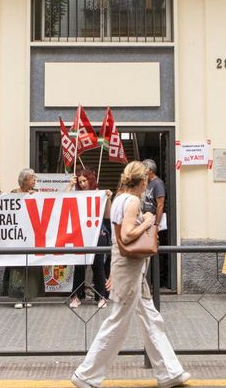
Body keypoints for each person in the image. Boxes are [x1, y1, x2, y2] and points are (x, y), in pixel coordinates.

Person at [71, 161, 191, 388]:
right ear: (143, 181)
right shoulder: (133, 201)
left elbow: (119, 233)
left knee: (151, 318)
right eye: (146, 180)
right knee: (117, 322)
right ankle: (86, 375)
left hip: (128, 265)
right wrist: (147, 221)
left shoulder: (119, 198)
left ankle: (169, 372)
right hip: (130, 267)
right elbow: (126, 235)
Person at [68, 169, 113, 309]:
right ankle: (76, 296)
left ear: (90, 180)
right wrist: (70, 186)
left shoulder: (99, 193)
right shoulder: (75, 194)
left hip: (98, 234)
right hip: (81, 235)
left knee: (98, 266)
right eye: (80, 181)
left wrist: (108, 199)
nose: (82, 184)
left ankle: (102, 296)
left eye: (84, 181)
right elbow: (64, 203)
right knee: (79, 266)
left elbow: (107, 216)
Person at [4, 168, 44, 309]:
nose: (34, 181)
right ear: (25, 180)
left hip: (31, 236)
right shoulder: (13, 194)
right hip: (17, 237)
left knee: (31, 267)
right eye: (32, 178)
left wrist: (35, 197)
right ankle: (17, 297)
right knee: (17, 266)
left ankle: (28, 296)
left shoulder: (36, 194)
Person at [141, 159, 169, 286]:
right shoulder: (145, 182)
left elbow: (160, 205)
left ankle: (158, 280)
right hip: (145, 220)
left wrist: (157, 224)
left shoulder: (158, 184)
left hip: (153, 221)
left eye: (144, 169)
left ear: (150, 170)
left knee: (155, 249)